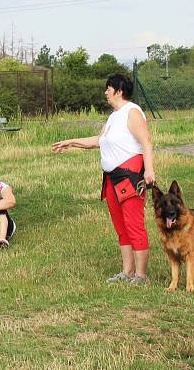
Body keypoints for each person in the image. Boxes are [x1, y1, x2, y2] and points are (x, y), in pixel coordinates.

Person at [52, 73, 155, 285]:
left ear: (119, 91)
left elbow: (146, 142)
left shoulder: (132, 112)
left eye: (109, 88)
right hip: (111, 178)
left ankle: (141, 275)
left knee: (133, 224)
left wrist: (149, 170)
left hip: (129, 176)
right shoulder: (113, 116)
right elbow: (99, 140)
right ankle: (127, 271)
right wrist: (71, 142)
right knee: (121, 226)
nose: (106, 92)